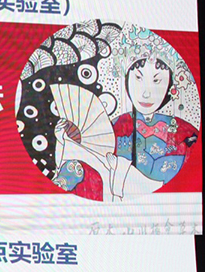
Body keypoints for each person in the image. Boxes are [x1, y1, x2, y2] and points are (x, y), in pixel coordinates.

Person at [53, 56, 198, 200]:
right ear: (127, 81)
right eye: (138, 78)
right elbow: (92, 163)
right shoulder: (116, 127)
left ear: (169, 86)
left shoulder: (185, 133)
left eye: (156, 81)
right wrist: (66, 141)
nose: (146, 93)